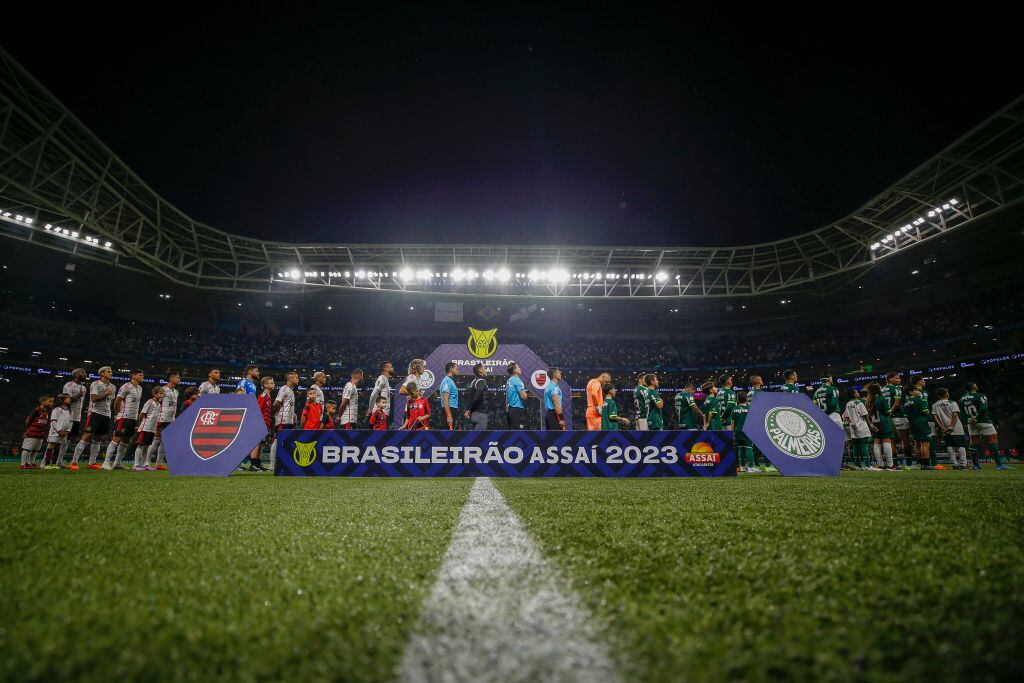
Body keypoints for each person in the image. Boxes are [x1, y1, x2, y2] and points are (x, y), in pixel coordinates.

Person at [71, 366, 116, 470]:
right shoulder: (95, 383)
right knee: (86, 437)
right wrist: (106, 394)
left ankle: (92, 462)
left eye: (111, 371)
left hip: (106, 414)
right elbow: (94, 399)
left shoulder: (113, 386)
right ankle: (74, 463)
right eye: (108, 371)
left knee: (98, 439)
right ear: (102, 373)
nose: (111, 373)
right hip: (95, 413)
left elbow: (110, 401)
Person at [960, 382, 1010, 470]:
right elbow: (983, 408)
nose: (977, 385)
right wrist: (977, 418)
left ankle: (976, 465)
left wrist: (968, 420)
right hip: (983, 421)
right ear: (973, 387)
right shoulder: (980, 396)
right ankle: (999, 465)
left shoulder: (962, 399)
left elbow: (961, 413)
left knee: (973, 442)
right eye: (975, 384)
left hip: (971, 423)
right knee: (993, 440)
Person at [102, 369, 144, 470]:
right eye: (140, 375)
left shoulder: (140, 388)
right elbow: (117, 400)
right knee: (116, 438)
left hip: (133, 418)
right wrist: (117, 413)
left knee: (126, 440)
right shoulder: (126, 386)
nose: (142, 377)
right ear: (133, 375)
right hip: (124, 416)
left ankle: (117, 463)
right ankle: (106, 463)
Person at [146, 370, 180, 471]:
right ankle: (146, 462)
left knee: (165, 442)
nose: (179, 379)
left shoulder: (176, 391)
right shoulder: (163, 390)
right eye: (177, 377)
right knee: (156, 440)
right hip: (161, 418)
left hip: (171, 419)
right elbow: (156, 402)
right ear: (171, 378)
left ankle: (159, 464)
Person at [932, 387, 968, 469]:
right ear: (946, 393)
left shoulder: (934, 405)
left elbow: (935, 417)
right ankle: (963, 463)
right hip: (955, 427)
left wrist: (942, 427)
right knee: (960, 445)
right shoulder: (952, 402)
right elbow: (954, 414)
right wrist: (952, 426)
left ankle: (954, 463)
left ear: (938, 395)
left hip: (944, 428)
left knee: (950, 445)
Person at [843, 388, 877, 471]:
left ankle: (858, 466)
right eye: (857, 392)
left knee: (855, 446)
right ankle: (868, 466)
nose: (858, 393)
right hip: (861, 427)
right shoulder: (859, 403)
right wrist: (871, 425)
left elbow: (845, 416)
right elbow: (865, 416)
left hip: (853, 428)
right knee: (864, 445)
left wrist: (851, 423)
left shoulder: (848, 404)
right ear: (855, 394)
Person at [60, 368, 88, 466]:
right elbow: (67, 400)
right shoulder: (69, 385)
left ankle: (59, 461)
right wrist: (79, 395)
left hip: (77, 416)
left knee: (69, 438)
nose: (85, 374)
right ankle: (49, 461)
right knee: (62, 438)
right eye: (82, 372)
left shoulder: (84, 387)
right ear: (76, 374)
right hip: (67, 415)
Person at [905, 379, 934, 470]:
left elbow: (905, 414)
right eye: (916, 390)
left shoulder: (906, 402)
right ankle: (926, 464)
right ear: (911, 392)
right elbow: (926, 412)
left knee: (917, 443)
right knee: (925, 443)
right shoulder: (919, 400)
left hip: (912, 423)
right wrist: (930, 416)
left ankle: (920, 464)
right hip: (921, 422)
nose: (918, 391)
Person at [271, 372, 299, 469]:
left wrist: (293, 414)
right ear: (290, 378)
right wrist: (279, 412)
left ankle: (282, 463)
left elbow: (288, 405)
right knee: (278, 440)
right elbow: (276, 403)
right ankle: (272, 465)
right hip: (283, 419)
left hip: (289, 419)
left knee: (286, 441)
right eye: (296, 377)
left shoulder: (290, 390)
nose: (298, 379)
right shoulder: (284, 389)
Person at [883, 373, 911, 467]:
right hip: (898, 416)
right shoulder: (896, 388)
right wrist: (890, 412)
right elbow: (897, 403)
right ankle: (909, 464)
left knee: (891, 441)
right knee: (905, 440)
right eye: (897, 378)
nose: (899, 380)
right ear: (890, 379)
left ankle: (895, 463)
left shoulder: (881, 389)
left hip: (887, 418)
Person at [868, 382, 897, 470]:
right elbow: (887, 412)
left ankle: (881, 465)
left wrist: (871, 424)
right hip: (884, 421)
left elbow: (868, 414)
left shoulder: (869, 400)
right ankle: (890, 465)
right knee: (886, 442)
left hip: (874, 422)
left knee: (876, 443)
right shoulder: (881, 398)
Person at [134, 387, 163, 471]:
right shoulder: (149, 402)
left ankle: (144, 464)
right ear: (154, 393)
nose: (162, 395)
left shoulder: (158, 403)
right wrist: (139, 425)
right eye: (160, 393)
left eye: (162, 393)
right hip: (145, 427)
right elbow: (142, 414)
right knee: (141, 445)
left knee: (146, 446)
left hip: (152, 428)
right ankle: (136, 465)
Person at [21, 395, 52, 469]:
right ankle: (23, 464)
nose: (51, 403)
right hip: (32, 432)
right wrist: (29, 429)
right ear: (42, 402)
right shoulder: (36, 410)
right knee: (27, 449)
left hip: (40, 434)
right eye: (49, 401)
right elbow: (28, 420)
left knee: (35, 450)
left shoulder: (46, 413)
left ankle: (30, 463)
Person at [42, 393, 72, 469]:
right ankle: (47, 464)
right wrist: (59, 430)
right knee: (51, 445)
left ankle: (54, 464)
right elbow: (53, 421)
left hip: (64, 432)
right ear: (62, 400)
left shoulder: (69, 410)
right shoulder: (57, 409)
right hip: (55, 431)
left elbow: (70, 422)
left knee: (58, 447)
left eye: (69, 398)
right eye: (67, 398)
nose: (69, 399)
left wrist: (67, 431)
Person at [732, 391, 758, 472]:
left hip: (737, 431)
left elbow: (732, 423)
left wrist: (732, 433)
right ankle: (750, 467)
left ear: (737, 400)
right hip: (746, 431)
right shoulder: (749, 409)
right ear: (746, 399)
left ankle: (742, 467)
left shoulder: (734, 409)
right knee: (748, 448)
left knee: (740, 448)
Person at [254, 376, 275, 472]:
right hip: (261, 423)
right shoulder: (263, 396)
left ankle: (258, 464)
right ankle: (253, 464)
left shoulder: (269, 396)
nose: (273, 384)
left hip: (266, 423)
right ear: (265, 385)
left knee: (261, 443)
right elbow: (258, 409)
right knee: (257, 443)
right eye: (271, 383)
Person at [464, 363, 489, 430]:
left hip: (474, 414)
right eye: (484, 368)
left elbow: (470, 398)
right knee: (480, 438)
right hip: (480, 413)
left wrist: (468, 409)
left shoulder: (473, 382)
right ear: (480, 370)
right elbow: (478, 396)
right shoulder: (481, 381)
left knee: (475, 437)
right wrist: (469, 409)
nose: (486, 370)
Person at [368, 361, 394, 425]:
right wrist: (370, 409)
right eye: (391, 366)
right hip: (379, 414)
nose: (392, 368)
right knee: (378, 434)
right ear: (385, 368)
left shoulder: (385, 380)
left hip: (382, 413)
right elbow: (373, 394)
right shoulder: (382, 378)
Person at [505, 362, 528, 429]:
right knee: (518, 433)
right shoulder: (517, 380)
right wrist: (526, 394)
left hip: (510, 409)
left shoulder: (509, 380)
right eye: (518, 367)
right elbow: (523, 396)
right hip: (517, 410)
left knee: (511, 433)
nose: (520, 368)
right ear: (514, 370)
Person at [439, 362, 459, 430]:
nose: (457, 370)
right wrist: (449, 415)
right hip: (448, 410)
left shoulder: (451, 380)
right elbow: (445, 399)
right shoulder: (447, 381)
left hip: (452, 409)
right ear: (451, 369)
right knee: (447, 435)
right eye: (456, 369)